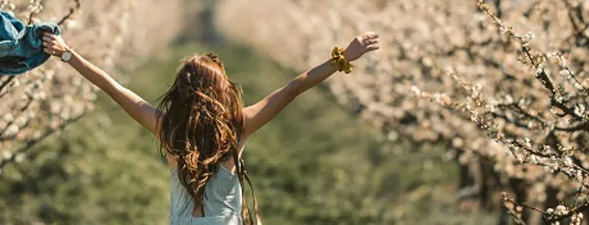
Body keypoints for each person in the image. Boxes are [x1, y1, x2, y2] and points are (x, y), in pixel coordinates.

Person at [40, 29, 382, 224]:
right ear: (222, 91)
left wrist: (69, 54)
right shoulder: (239, 126)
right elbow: (293, 88)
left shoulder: (167, 128)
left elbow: (114, 88)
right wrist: (342, 58)